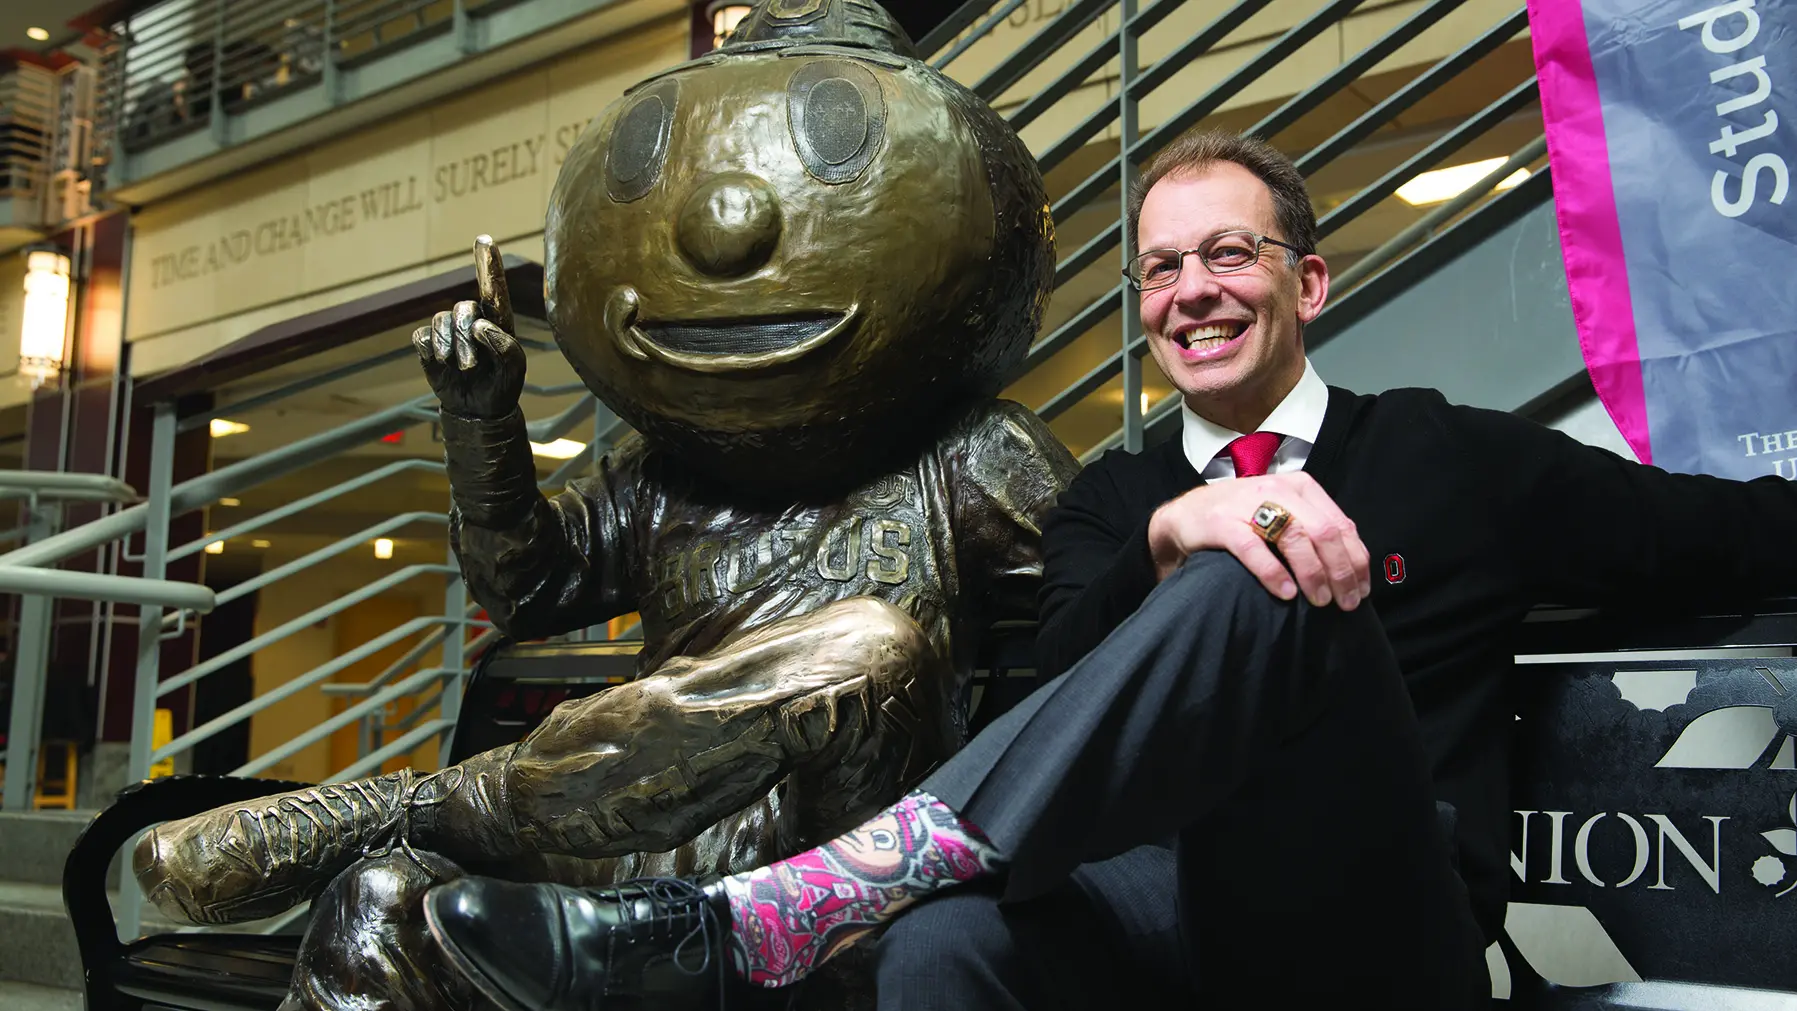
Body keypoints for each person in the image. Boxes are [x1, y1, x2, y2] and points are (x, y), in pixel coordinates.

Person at [420, 129, 1797, 1009]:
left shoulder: (1459, 455)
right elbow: (1057, 699)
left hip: (1375, 918)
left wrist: (1242, 530)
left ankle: (800, 901)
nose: (1190, 288)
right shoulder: (1110, 496)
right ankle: (848, 906)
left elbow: (1733, 534)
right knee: (941, 953)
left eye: (1227, 254)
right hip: (1160, 909)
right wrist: (1163, 537)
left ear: (1308, 285)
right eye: (1157, 269)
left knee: (1269, 567)